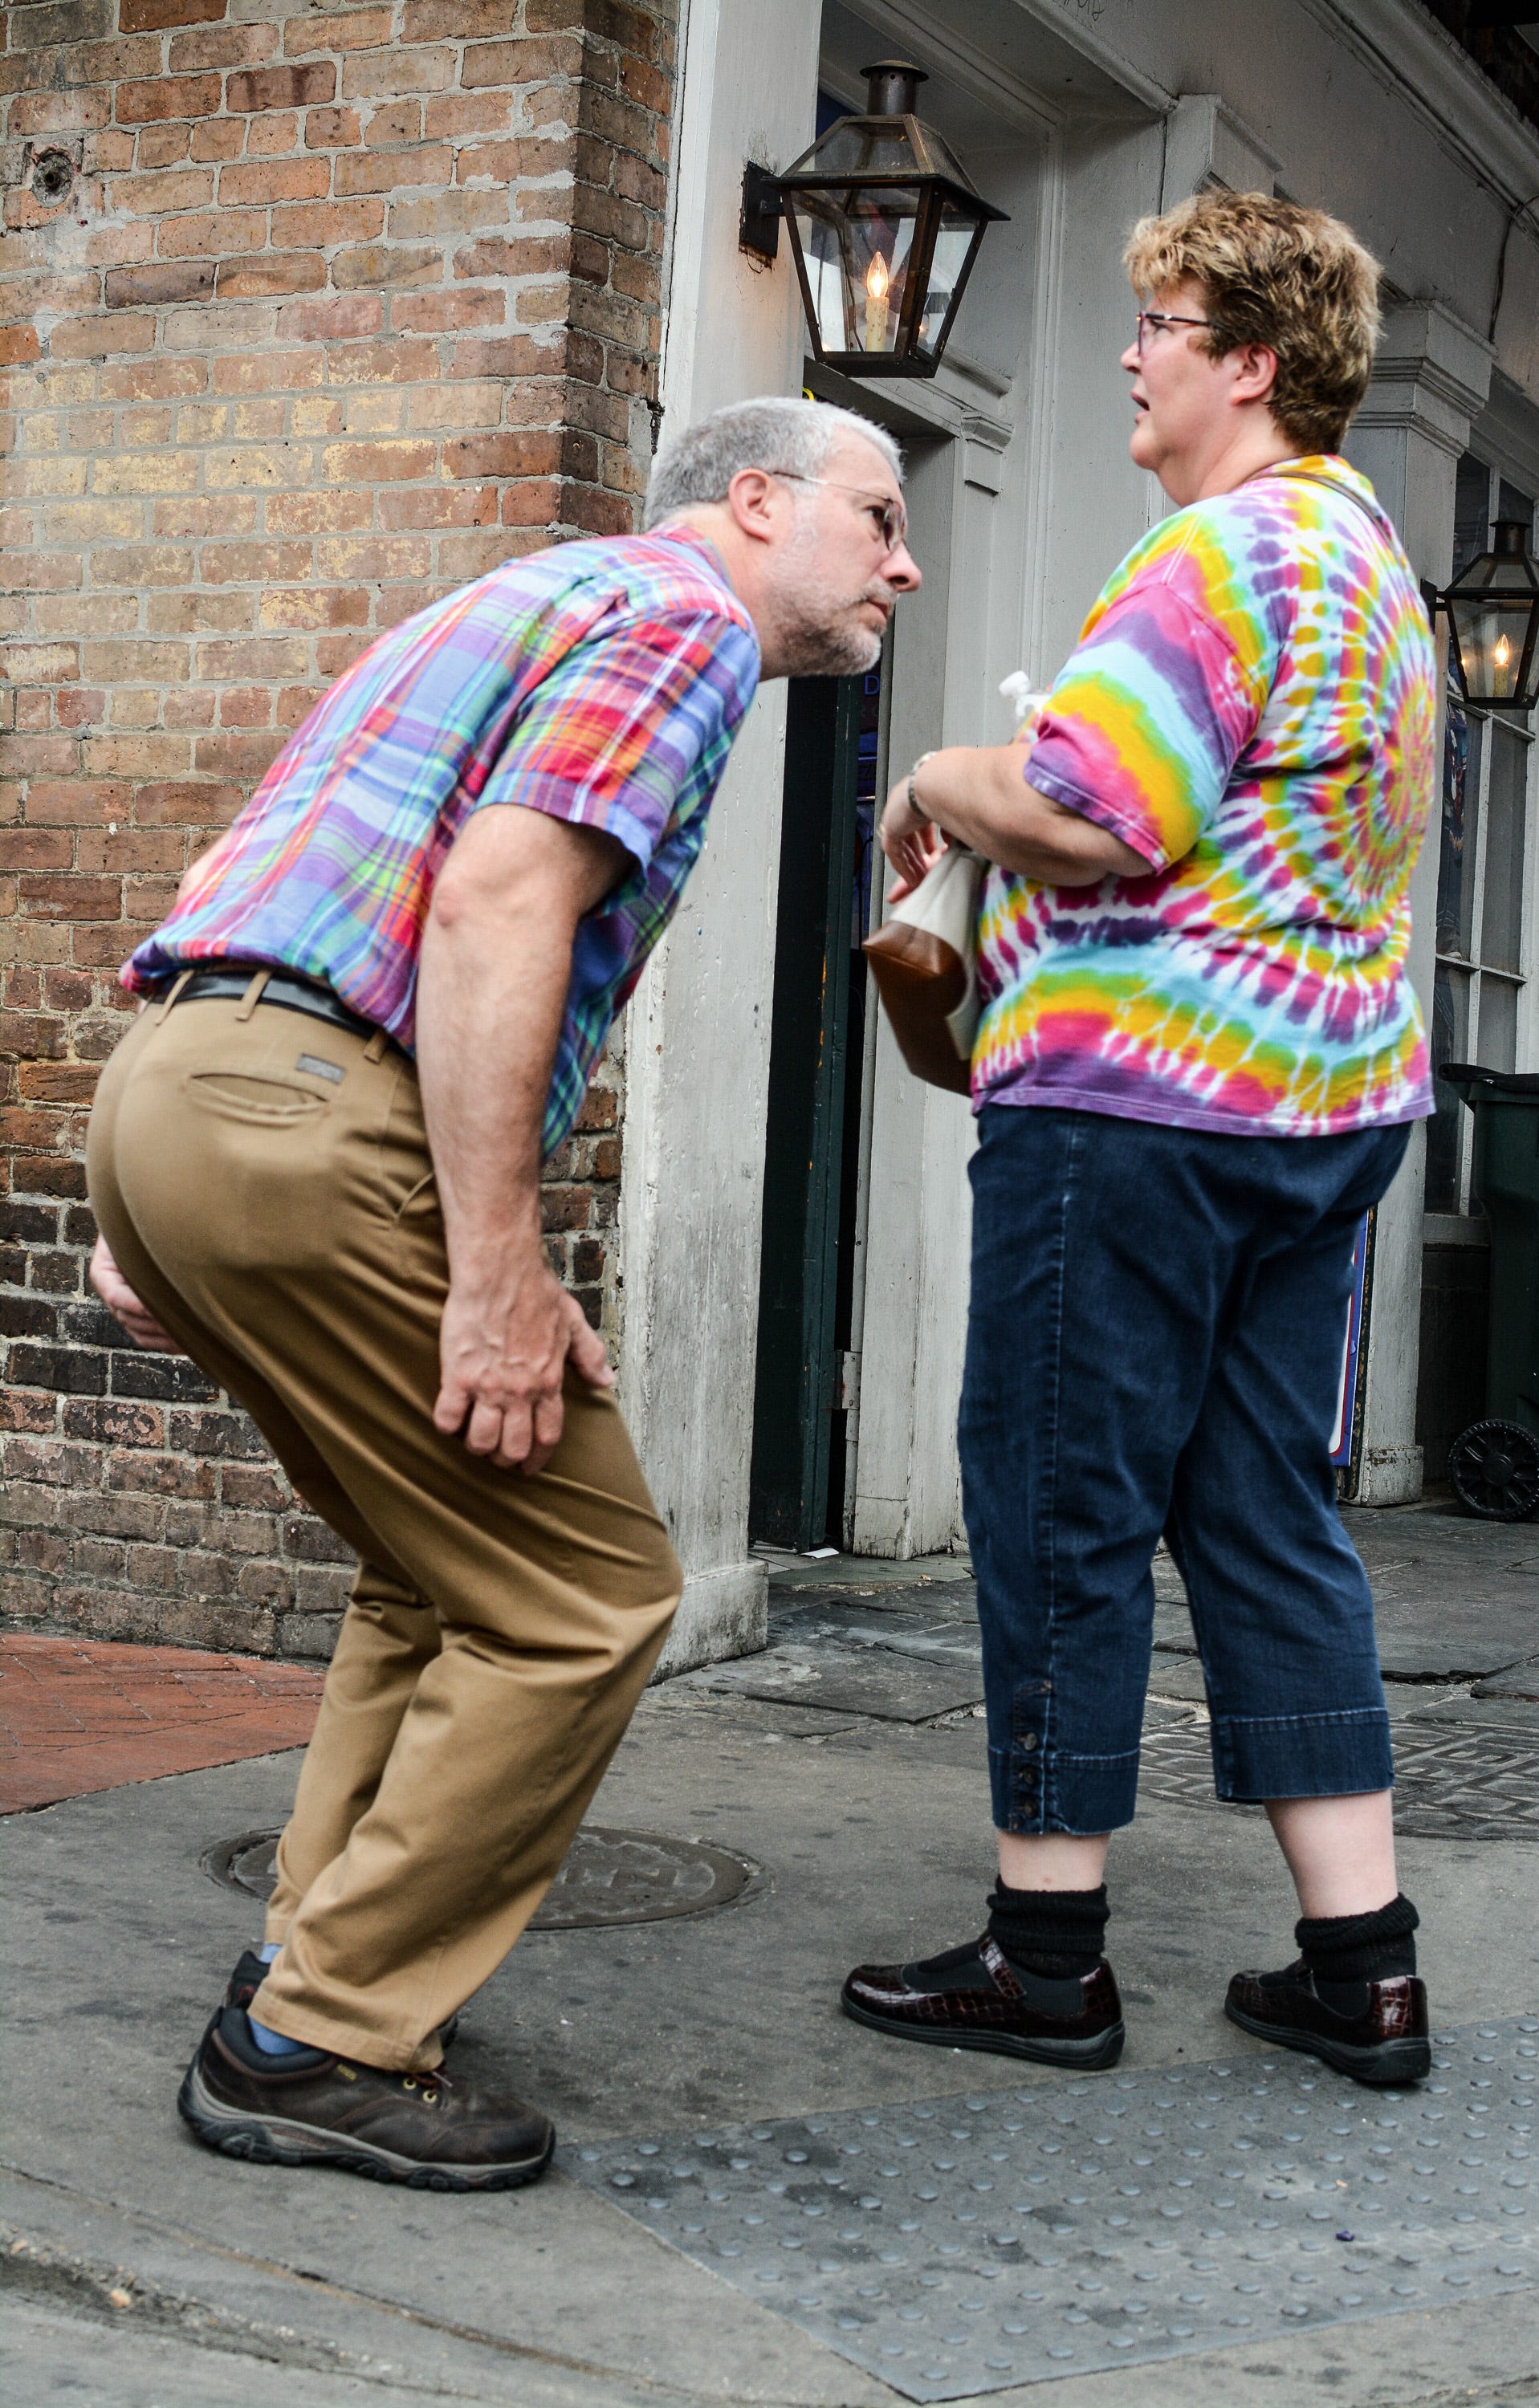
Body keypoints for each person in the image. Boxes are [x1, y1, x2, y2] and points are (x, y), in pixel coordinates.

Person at [88, 396, 920, 2189]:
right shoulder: (687, 621)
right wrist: (496, 1272)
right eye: (879, 516)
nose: (902, 565)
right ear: (754, 502)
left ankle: (310, 1955)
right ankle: (319, 2038)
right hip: (316, 1114)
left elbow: (269, 854)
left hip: (190, 1086)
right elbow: (495, 902)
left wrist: (154, 1181)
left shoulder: (505, 600)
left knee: (438, 1558)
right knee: (585, 1595)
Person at [841, 190, 1437, 2087]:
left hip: (1138, 1109)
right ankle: (1363, 1966)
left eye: (1159, 324)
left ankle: (1045, 1960)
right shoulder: (1369, 559)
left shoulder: (1216, 552)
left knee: (1057, 1501)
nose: (1129, 352)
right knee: (1263, 1509)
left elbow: (1100, 813)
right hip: (1324, 1109)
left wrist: (941, 774)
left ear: (1247, 361)